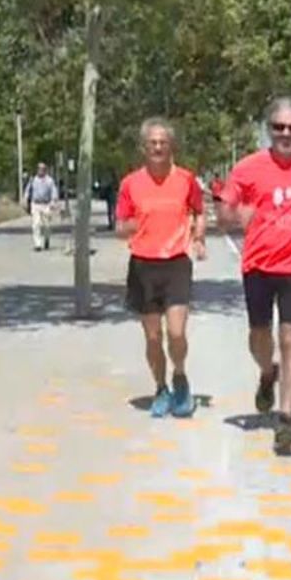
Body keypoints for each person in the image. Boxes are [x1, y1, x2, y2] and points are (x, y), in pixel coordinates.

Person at [217, 97, 291, 455]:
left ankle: (286, 418)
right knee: (260, 336)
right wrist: (236, 216)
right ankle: (268, 372)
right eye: (279, 127)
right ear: (269, 129)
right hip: (258, 265)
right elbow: (224, 212)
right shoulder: (248, 167)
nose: (286, 133)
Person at [116, 118, 206, 419]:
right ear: (144, 147)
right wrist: (134, 224)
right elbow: (120, 226)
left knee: (177, 333)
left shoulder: (185, 179)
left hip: (177, 263)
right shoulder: (130, 183)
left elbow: (199, 211)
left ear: (171, 146)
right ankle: (160, 389)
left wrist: (199, 238)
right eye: (152, 143)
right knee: (153, 337)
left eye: (162, 142)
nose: (157, 147)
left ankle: (180, 378)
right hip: (143, 265)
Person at [23, 162, 60, 251]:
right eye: (39, 169)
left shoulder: (49, 181)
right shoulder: (33, 180)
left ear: (45, 170)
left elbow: (54, 191)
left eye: (42, 169)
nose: (40, 171)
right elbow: (28, 191)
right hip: (35, 204)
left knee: (47, 225)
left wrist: (53, 202)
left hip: (46, 204)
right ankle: (38, 244)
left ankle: (47, 239)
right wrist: (25, 199)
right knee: (36, 224)